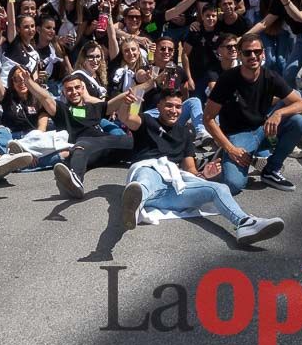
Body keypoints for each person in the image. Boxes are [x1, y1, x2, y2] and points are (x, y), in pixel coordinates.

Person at [119, 89, 285, 247]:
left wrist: (204, 175)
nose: (173, 110)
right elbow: (126, 118)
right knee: (146, 178)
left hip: (172, 189)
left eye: (178, 107)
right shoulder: (147, 121)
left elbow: (190, 170)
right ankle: (135, 204)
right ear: (159, 107)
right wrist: (126, 104)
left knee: (219, 188)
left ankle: (244, 222)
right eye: (169, 105)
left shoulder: (184, 134)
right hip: (150, 171)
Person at [203, 33, 302, 195]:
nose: (253, 56)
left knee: (298, 121)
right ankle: (222, 155)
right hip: (237, 135)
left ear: (263, 53)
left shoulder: (270, 76)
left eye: (257, 51)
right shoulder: (227, 79)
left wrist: (279, 113)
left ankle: (271, 170)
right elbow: (208, 118)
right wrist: (230, 148)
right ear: (240, 55)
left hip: (262, 129)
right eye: (247, 52)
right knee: (234, 185)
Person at [26, 72, 133, 199]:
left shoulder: (94, 108)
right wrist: (28, 81)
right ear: (64, 92)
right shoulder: (62, 110)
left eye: (77, 88)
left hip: (108, 145)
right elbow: (45, 98)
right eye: (69, 89)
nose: (74, 92)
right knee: (81, 146)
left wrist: (150, 82)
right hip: (86, 150)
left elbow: (121, 98)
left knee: (137, 142)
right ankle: (75, 182)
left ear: (83, 89)